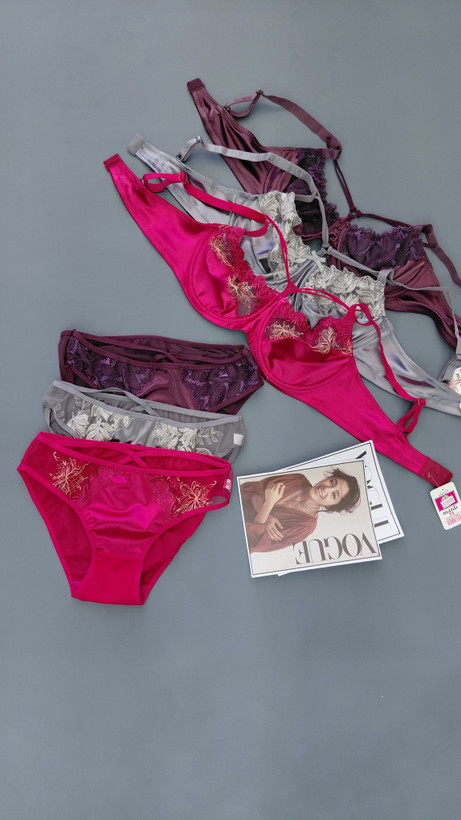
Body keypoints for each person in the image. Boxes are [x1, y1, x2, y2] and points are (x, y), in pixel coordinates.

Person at [240, 469, 360, 553]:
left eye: (334, 495)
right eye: (332, 482)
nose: (326, 489)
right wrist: (268, 515)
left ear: (331, 507)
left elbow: (253, 538)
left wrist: (268, 504)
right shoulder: (298, 478)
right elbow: (254, 492)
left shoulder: (305, 526)